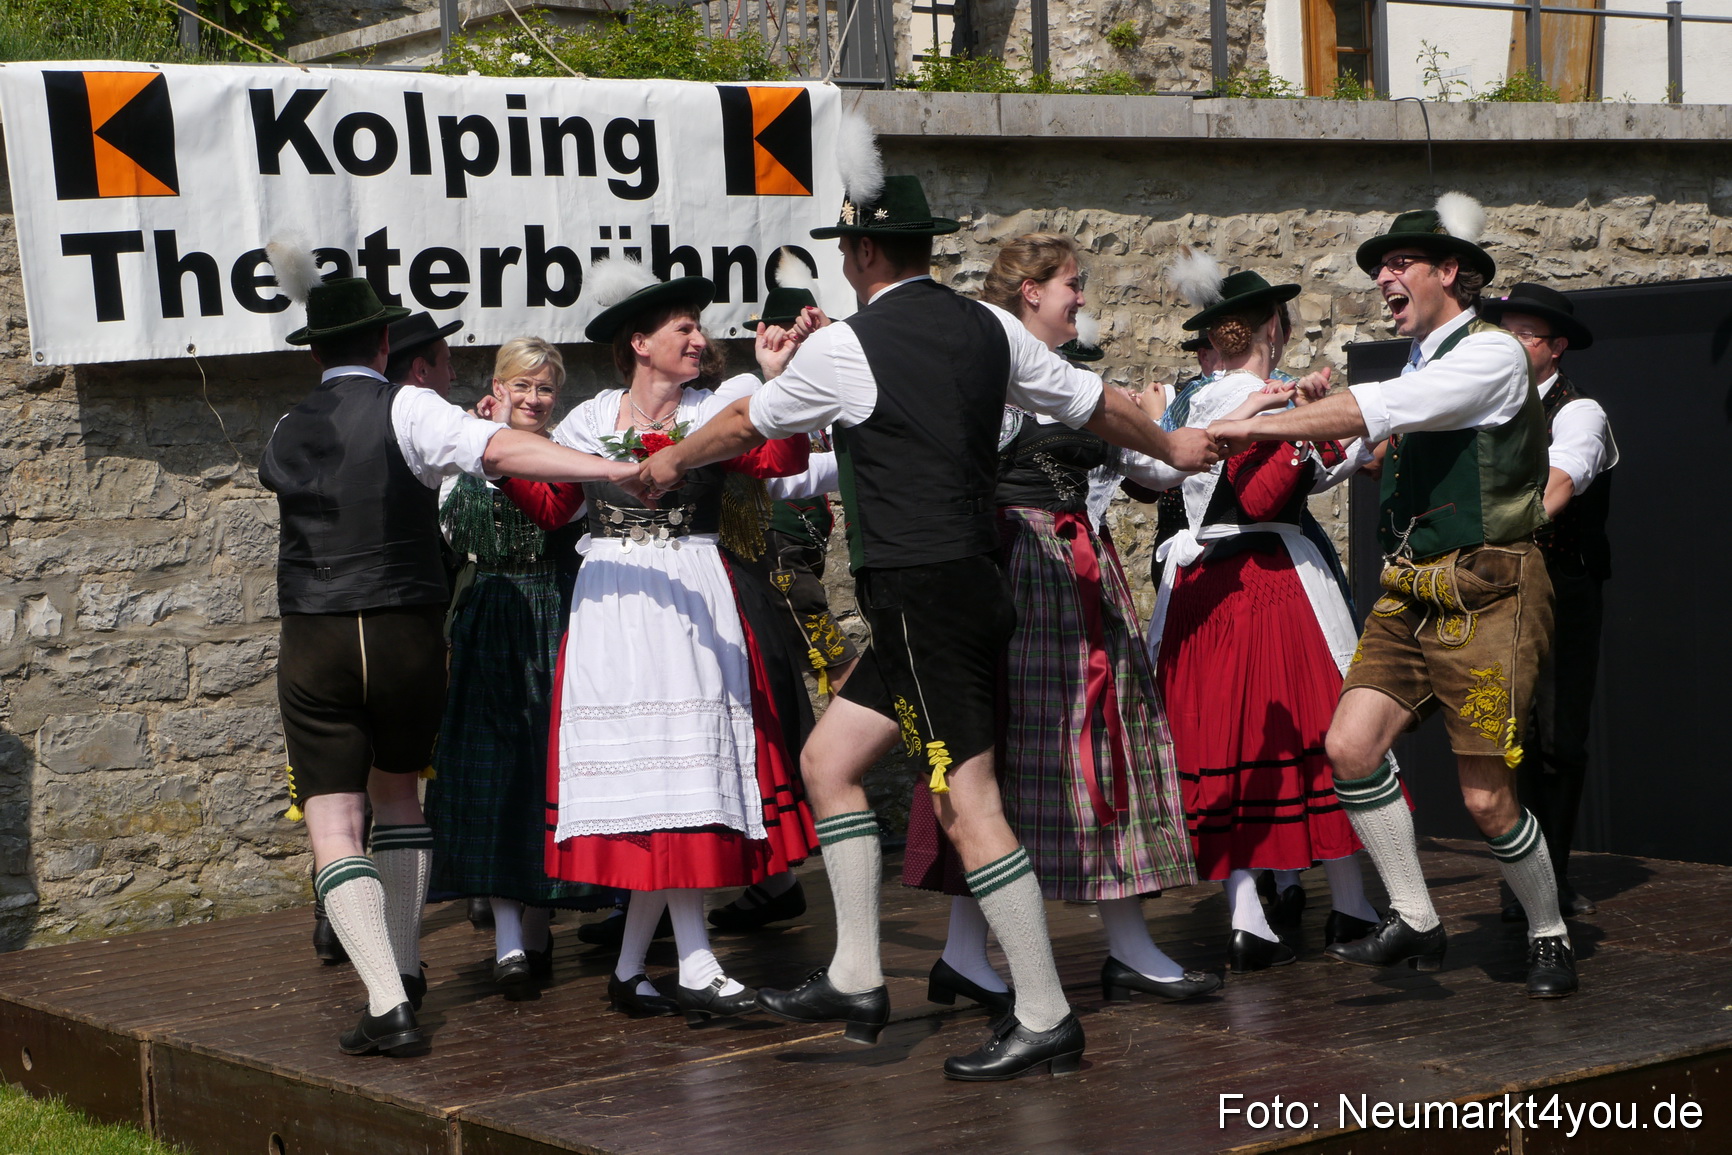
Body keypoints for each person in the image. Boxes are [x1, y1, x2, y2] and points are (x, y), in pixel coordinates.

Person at [639, 159, 1218, 1080]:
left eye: (847, 250)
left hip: (922, 595)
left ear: (863, 251)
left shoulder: (848, 347)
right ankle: (859, 972)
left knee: (967, 805)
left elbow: (748, 422)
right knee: (828, 762)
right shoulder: (987, 325)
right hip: (962, 589)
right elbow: (1092, 400)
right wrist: (1174, 442)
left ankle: (1044, 1011)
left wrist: (667, 463)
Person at [259, 268, 640, 1056]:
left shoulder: (286, 425)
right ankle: (401, 964)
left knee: (335, 821)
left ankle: (388, 999)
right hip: (406, 631)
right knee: (401, 801)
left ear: (313, 353)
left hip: (318, 633)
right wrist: (610, 469)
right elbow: (500, 448)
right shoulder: (408, 404)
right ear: (387, 340)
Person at [1206, 195, 1577, 999]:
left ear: (1450, 272)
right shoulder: (1421, 362)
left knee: (1486, 798)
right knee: (1349, 746)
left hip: (1491, 589)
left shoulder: (1491, 357)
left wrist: (1250, 426)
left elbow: (1380, 410)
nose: (1383, 277)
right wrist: (1299, 423)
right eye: (1381, 266)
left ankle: (1549, 930)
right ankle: (1415, 914)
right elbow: (1355, 445)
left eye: (1399, 263)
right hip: (1412, 588)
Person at [902, 232, 1217, 1011]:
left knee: (1102, 744)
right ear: (1029, 293)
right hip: (1023, 573)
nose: (1082, 296)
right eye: (1072, 284)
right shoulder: (992, 383)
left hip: (1082, 572)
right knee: (1008, 755)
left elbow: (1158, 466)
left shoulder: (1079, 382)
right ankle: (968, 951)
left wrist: (1232, 417)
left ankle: (1120, 944)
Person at [497, 263, 817, 1025]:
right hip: (613, 605)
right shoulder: (589, 420)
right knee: (649, 785)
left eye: (699, 331)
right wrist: (512, 441)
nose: (701, 342)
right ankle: (660, 965)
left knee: (691, 770)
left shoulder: (722, 409)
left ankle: (670, 963)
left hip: (691, 596)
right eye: (684, 329)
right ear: (639, 343)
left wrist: (776, 385)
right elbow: (550, 507)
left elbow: (782, 460)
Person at [1146, 260, 1384, 972]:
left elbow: (1150, 480)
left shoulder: (1192, 400)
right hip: (1266, 584)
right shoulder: (1265, 396)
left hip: (1198, 587)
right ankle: (1351, 905)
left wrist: (1335, 443)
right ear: (1272, 328)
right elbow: (1262, 497)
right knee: (1316, 742)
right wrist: (1326, 432)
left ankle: (1250, 914)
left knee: (1221, 748)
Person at [423, 337, 612, 999]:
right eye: (521, 386)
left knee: (546, 775)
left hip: (555, 615)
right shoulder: (462, 456)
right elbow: (448, 537)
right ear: (497, 389)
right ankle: (508, 938)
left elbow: (569, 516)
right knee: (492, 773)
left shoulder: (567, 459)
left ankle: (535, 924)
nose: (533, 399)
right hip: (487, 615)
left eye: (544, 389)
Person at [708, 265, 854, 935]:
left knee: (807, 679)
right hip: (767, 563)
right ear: (764, 335)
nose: (796, 343)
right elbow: (785, 472)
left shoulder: (813, 384)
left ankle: (789, 851)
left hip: (791, 559)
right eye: (786, 333)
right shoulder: (746, 387)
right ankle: (852, 769)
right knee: (829, 665)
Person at [1480, 282, 1616, 921]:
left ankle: (1549, 879)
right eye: (1502, 333)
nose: (1508, 345)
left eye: (1523, 335)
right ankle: (1522, 875)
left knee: (1558, 739)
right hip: (1498, 587)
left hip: (1561, 586)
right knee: (1509, 737)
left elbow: (1563, 480)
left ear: (1556, 348)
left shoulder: (1578, 410)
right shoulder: (1483, 410)